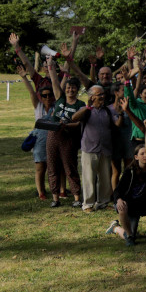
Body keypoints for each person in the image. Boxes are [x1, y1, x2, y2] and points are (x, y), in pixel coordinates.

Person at [69, 85, 121, 212]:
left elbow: (117, 124)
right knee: (89, 178)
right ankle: (87, 204)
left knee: (104, 177)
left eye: (103, 94)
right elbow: (74, 118)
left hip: (105, 149)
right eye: (99, 95)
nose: (102, 96)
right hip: (89, 149)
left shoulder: (108, 111)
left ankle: (103, 202)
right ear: (92, 97)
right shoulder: (86, 110)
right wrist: (88, 107)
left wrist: (121, 112)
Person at [105, 131, 146, 247]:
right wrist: (118, 200)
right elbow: (118, 189)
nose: (145, 156)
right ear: (136, 157)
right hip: (129, 204)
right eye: (142, 154)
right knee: (131, 234)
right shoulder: (130, 171)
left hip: (144, 203)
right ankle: (117, 229)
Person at [47, 73, 86, 208]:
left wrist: (66, 125)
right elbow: (54, 82)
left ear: (77, 89)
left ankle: (76, 197)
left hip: (69, 137)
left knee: (70, 167)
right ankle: (55, 198)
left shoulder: (81, 104)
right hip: (53, 135)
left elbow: (79, 123)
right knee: (52, 166)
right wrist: (51, 65)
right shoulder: (60, 99)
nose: (70, 90)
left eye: (73, 88)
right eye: (68, 87)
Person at [19, 64, 55, 200]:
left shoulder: (55, 107)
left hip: (53, 138)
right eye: (44, 95)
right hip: (40, 139)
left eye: (49, 95)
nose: (46, 98)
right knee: (40, 167)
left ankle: (56, 189)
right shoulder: (38, 106)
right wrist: (24, 78)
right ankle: (41, 192)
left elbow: (59, 88)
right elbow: (31, 93)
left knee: (53, 167)